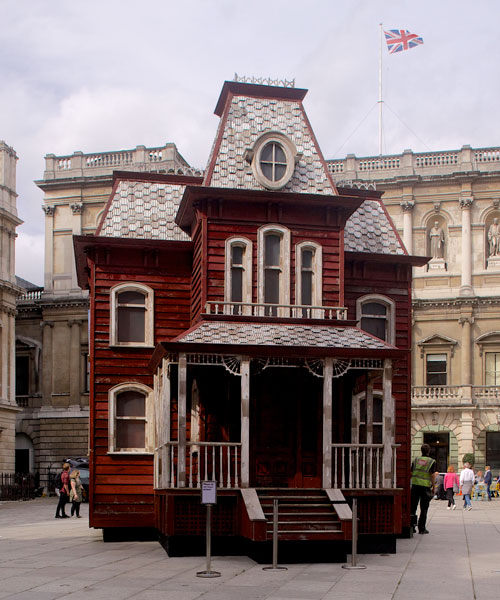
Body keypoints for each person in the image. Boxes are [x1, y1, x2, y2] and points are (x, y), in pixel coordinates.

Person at [410, 443, 437, 534]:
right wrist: (434, 487)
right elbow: (432, 475)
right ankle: (421, 528)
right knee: (424, 508)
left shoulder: (416, 460)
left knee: (413, 506)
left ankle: (412, 527)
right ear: (428, 451)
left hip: (415, 485)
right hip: (425, 487)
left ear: (421, 451)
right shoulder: (431, 461)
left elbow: (411, 472)